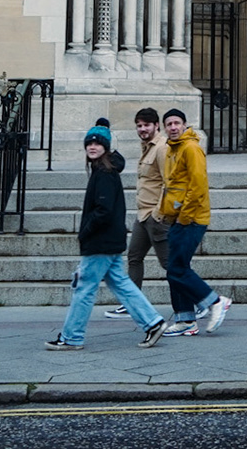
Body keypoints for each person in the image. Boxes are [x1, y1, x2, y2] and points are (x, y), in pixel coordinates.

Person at [46, 119, 169, 351]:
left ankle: (72, 337)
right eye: (89, 143)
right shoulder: (105, 169)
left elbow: (103, 210)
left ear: (106, 147)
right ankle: (153, 322)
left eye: (98, 144)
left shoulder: (104, 172)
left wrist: (85, 231)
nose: (92, 147)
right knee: (121, 284)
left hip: (101, 240)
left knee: (83, 287)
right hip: (109, 239)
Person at [158, 108, 231, 335]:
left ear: (184, 125)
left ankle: (215, 302)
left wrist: (184, 217)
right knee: (175, 269)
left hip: (190, 219)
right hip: (178, 217)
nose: (172, 127)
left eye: (176, 123)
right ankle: (185, 319)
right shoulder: (173, 149)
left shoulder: (191, 148)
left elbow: (198, 186)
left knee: (176, 269)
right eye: (168, 124)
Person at [104, 107, 170, 321]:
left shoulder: (161, 148)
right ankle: (131, 303)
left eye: (146, 125)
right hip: (143, 215)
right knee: (134, 257)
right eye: (139, 125)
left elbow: (168, 184)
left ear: (156, 126)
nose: (142, 129)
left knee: (170, 264)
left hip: (154, 215)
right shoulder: (147, 147)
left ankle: (201, 301)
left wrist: (159, 214)